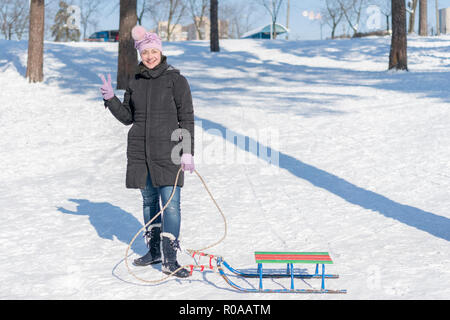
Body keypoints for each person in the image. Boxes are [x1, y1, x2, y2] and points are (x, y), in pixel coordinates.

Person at [99, 26, 195, 278]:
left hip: (170, 152)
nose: (150, 56)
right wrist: (111, 100)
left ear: (161, 52)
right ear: (140, 54)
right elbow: (128, 117)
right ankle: (153, 251)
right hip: (141, 152)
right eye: (145, 52)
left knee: (171, 206)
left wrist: (187, 151)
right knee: (149, 202)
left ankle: (170, 258)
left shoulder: (176, 80)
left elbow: (186, 117)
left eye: (154, 51)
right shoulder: (135, 82)